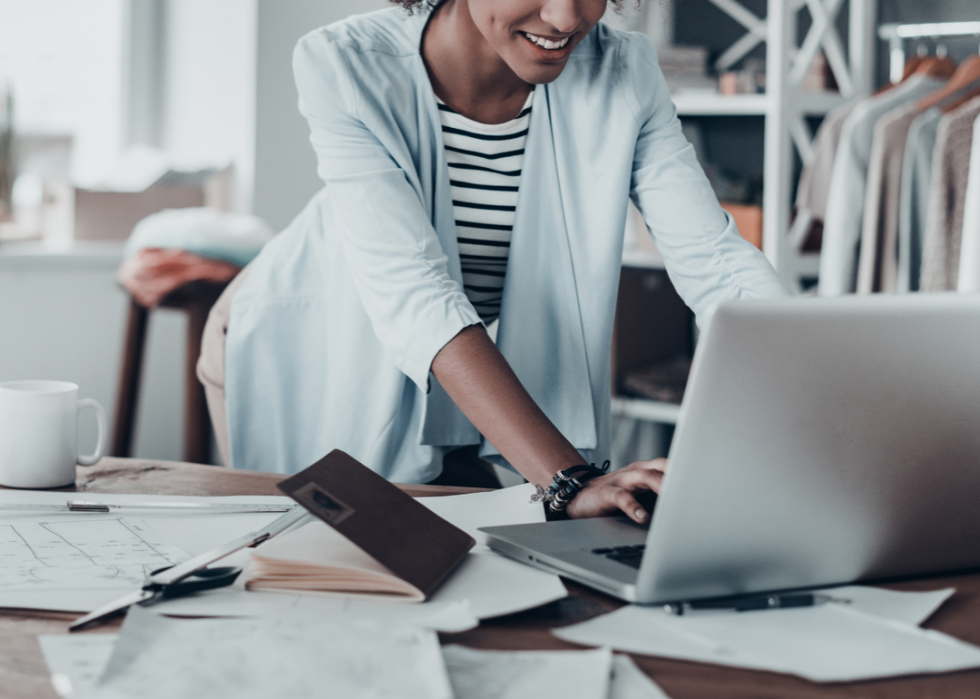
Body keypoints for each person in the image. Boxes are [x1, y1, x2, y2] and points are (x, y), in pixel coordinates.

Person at [197, 0, 788, 522]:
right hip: (305, 341)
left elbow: (713, 260)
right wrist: (566, 481)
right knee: (328, 576)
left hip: (458, 359)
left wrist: (817, 397)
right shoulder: (345, 63)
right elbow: (416, 292)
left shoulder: (623, 71)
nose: (565, 17)